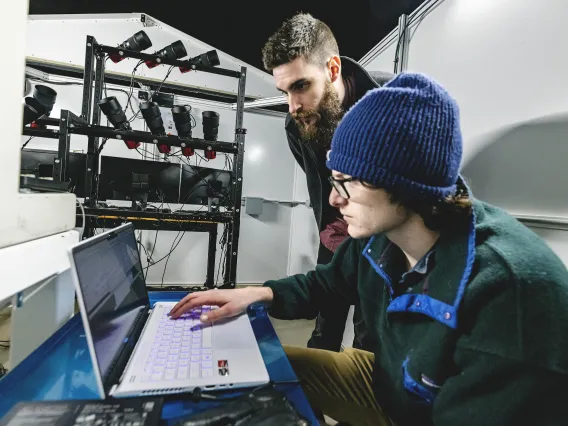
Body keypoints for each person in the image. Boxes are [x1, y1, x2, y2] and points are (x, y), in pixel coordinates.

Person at [170, 72, 568, 426]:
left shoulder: (511, 294)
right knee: (257, 370)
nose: (334, 199)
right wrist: (259, 293)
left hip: (428, 411)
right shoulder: (381, 237)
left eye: (347, 182)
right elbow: (326, 285)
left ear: (403, 183)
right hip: (391, 383)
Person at [261, 12, 394, 351]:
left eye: (301, 85)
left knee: (370, 339)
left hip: (381, 243)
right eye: (284, 90)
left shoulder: (392, 101)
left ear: (332, 69)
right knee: (323, 332)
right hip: (334, 237)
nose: (292, 105)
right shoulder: (296, 125)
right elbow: (321, 185)